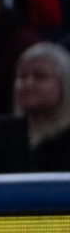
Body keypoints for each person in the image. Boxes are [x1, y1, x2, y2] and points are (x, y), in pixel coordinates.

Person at [15, 41, 70, 171]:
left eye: (40, 76)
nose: (28, 83)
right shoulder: (9, 138)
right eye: (22, 76)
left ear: (64, 84)